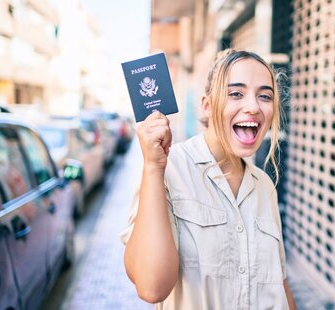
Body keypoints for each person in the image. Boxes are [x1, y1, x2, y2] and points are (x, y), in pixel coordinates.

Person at [121, 49, 297, 309]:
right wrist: (152, 168)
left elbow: (279, 284)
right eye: (236, 93)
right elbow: (151, 287)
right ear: (207, 104)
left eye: (265, 96)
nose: (253, 107)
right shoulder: (169, 169)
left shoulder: (265, 186)